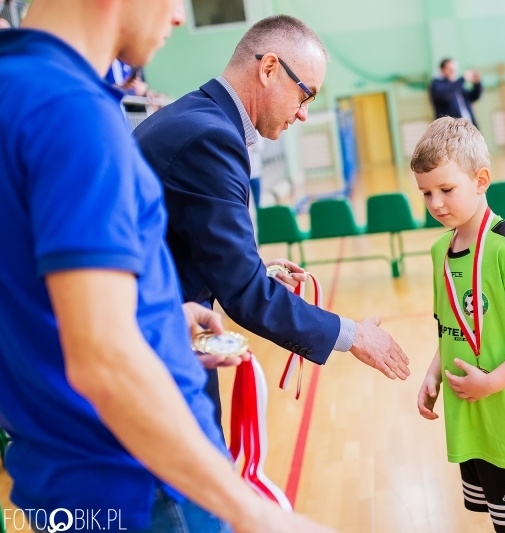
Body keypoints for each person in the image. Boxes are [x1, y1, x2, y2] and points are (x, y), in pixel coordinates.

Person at [0, 1, 335, 532]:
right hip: (143, 478)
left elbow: (39, 296)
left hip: (60, 473)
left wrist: (156, 318)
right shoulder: (72, 112)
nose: (179, 16)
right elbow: (105, 362)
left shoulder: (16, 87)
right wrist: (250, 511)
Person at [134, 15, 411, 427]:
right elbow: (246, 294)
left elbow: (179, 241)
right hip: (156, 353)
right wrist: (353, 336)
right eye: (305, 95)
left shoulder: (195, 117)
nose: (302, 114)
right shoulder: (210, 138)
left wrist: (255, 268)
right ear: (268, 69)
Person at [413, 117, 505, 533]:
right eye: (426, 193)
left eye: (446, 189)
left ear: (481, 180)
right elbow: (452, 326)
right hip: (474, 421)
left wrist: (493, 382)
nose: (436, 203)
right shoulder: (440, 250)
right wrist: (434, 374)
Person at [429, 58, 482, 128]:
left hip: (468, 126)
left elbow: (473, 97)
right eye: (450, 69)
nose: (453, 72)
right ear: (442, 70)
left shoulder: (456, 85)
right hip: (450, 129)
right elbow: (445, 95)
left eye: (454, 69)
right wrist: (462, 79)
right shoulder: (436, 84)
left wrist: (477, 84)